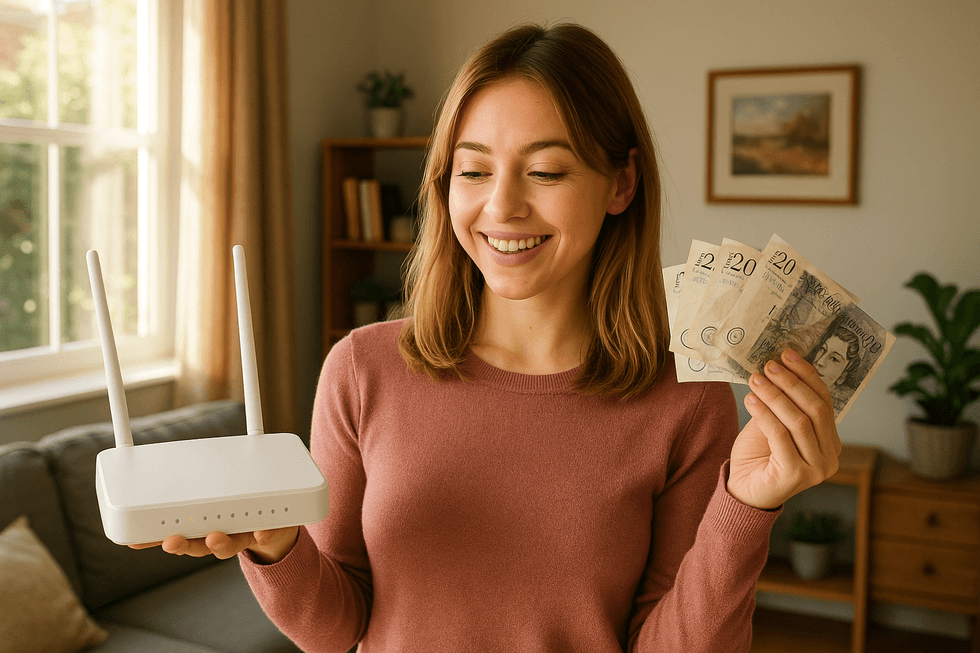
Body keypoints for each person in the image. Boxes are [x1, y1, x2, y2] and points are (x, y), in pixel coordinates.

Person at [137, 23, 840, 652]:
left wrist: (747, 507)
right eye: (473, 170)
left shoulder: (685, 401)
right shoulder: (360, 369)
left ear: (621, 183)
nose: (501, 206)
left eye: (546, 171)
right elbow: (336, 629)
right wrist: (278, 548)